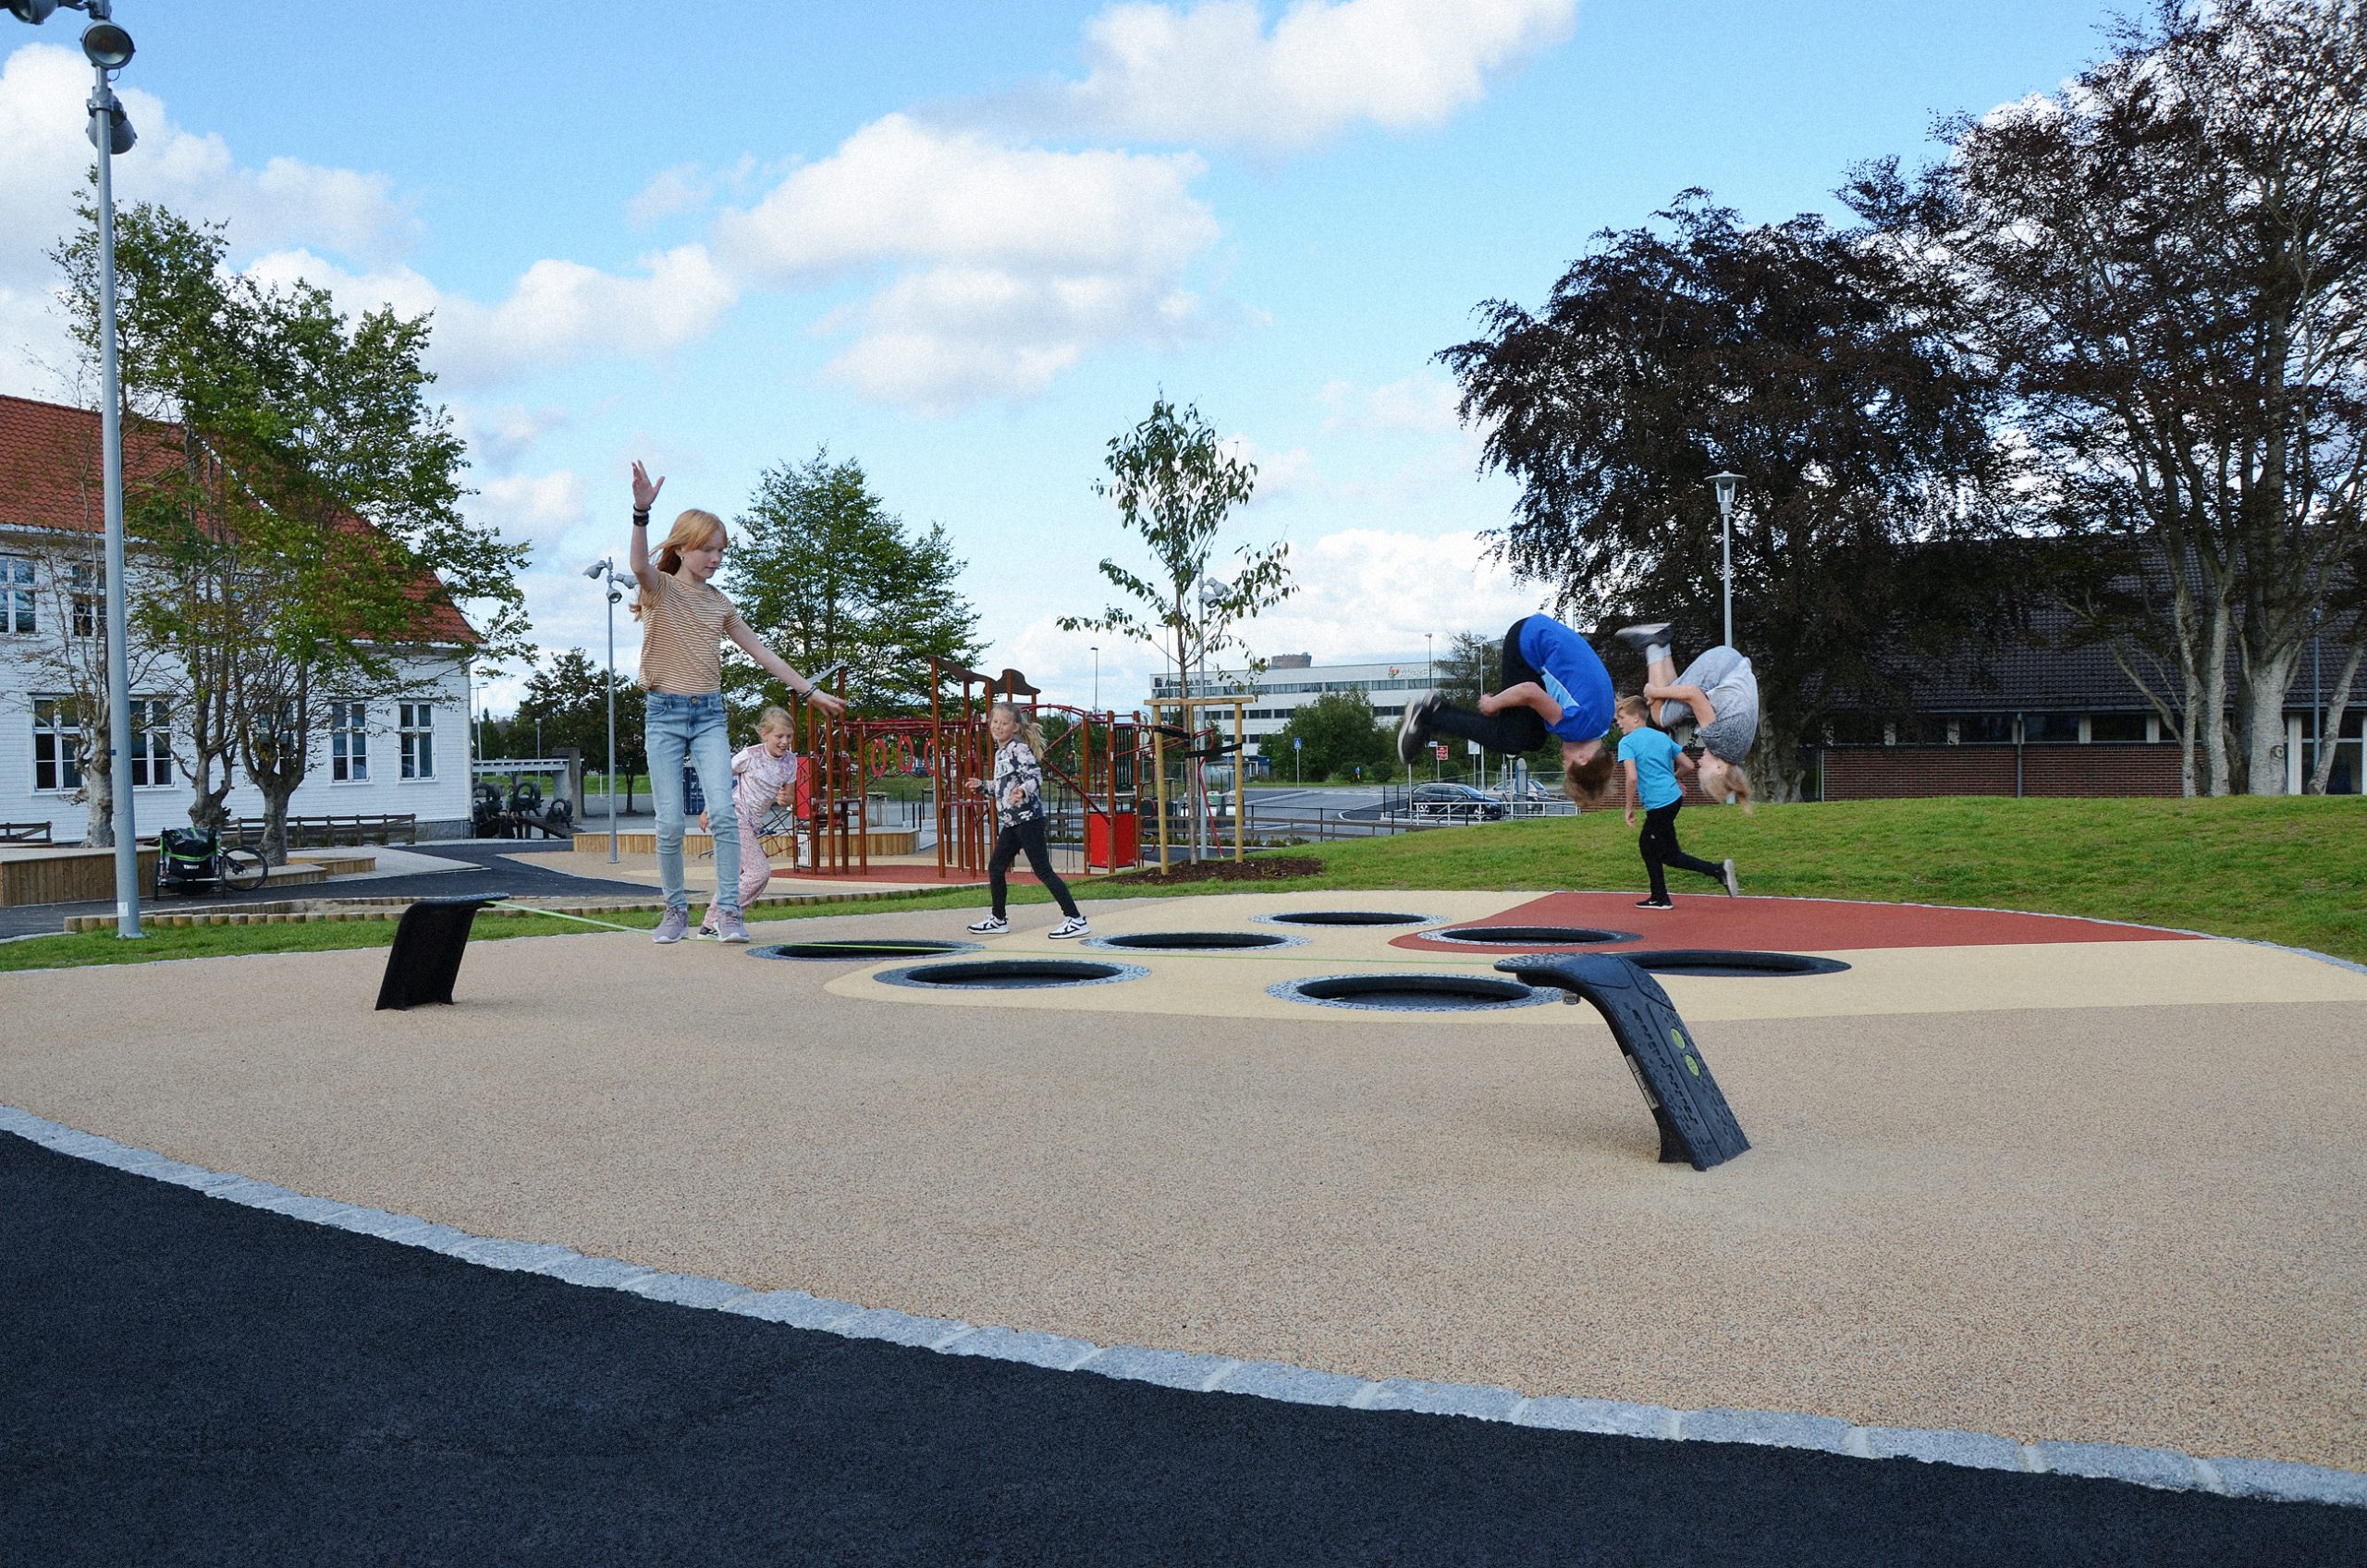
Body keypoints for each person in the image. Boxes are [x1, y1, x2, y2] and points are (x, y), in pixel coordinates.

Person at [629, 459, 843, 945]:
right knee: (669, 824)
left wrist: (810, 692)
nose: (716, 559)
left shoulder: (720, 603)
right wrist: (641, 513)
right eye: (707, 549)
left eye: (721, 551)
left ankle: (728, 911)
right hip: (664, 714)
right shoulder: (660, 588)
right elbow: (640, 564)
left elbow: (763, 652)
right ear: (682, 547)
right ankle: (675, 911)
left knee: (725, 815)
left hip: (708, 714)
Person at [1396, 615, 1620, 802]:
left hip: (1542, 634)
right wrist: (1493, 704)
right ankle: (1429, 714)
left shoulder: (1602, 722)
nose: (1562, 755)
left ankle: (1504, 731)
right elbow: (1529, 691)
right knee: (1510, 739)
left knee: (1534, 740)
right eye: (1566, 762)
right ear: (1582, 759)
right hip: (1528, 643)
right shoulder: (1576, 728)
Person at [964, 702, 1089, 939]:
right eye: (995, 722)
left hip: (1028, 819)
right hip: (1012, 823)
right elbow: (1001, 788)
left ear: (1015, 727)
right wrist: (982, 786)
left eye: (1004, 723)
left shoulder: (1018, 749)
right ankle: (998, 919)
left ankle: (1075, 919)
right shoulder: (1001, 753)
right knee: (996, 867)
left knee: (1042, 870)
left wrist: (1023, 790)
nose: (998, 726)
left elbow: (1035, 777)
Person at [1615, 622, 1759, 810]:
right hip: (1720, 668)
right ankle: (1654, 644)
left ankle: (1662, 642)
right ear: (1719, 768)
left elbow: (1689, 696)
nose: (1699, 762)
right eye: (1703, 768)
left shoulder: (1736, 753)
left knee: (1672, 703)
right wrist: (1654, 691)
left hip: (1732, 663)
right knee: (1660, 717)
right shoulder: (1719, 743)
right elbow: (1693, 693)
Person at [1615, 695, 1738, 909]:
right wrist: (1674, 778)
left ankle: (1661, 897)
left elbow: (1632, 777)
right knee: (1669, 854)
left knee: (1647, 846)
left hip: (1659, 804)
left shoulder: (1626, 743)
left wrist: (1628, 808)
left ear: (1636, 718)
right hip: (1673, 799)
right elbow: (1688, 765)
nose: (1618, 723)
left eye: (1621, 718)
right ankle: (1717, 871)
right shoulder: (1661, 737)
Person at [700, 705, 802, 938]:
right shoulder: (750, 755)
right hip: (733, 814)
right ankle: (727, 917)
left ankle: (708, 927)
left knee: (735, 877)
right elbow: (719, 779)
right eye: (779, 736)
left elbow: (789, 796)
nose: (784, 742)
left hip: (753, 822)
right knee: (758, 872)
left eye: (789, 736)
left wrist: (785, 799)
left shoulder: (790, 762)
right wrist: (708, 809)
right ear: (764, 734)